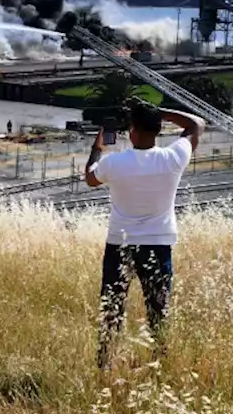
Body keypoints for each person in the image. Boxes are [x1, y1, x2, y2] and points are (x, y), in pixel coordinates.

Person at [84, 97, 205, 368]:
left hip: (120, 244)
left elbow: (90, 178)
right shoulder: (173, 157)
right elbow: (197, 123)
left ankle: (104, 363)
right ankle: (159, 364)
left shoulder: (114, 163)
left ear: (131, 131)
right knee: (158, 310)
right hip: (158, 244)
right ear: (158, 129)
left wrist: (96, 148)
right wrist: (156, 111)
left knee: (112, 307)